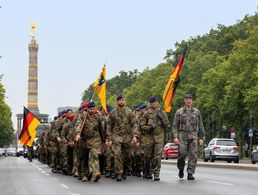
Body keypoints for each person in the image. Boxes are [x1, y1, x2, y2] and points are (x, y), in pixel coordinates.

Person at [172, 94, 205, 180]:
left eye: (190, 99)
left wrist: (201, 137)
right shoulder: (179, 112)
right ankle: (181, 168)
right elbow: (175, 125)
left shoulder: (196, 112)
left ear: (192, 101)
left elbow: (201, 125)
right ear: (184, 101)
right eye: (187, 99)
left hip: (193, 134)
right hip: (182, 135)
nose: (188, 101)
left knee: (193, 154)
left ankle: (190, 172)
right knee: (182, 153)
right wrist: (175, 137)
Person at [106, 95, 138, 181]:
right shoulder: (113, 112)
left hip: (127, 136)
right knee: (117, 155)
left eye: (123, 100)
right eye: (120, 100)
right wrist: (109, 139)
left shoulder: (129, 112)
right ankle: (118, 173)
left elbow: (134, 124)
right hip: (116, 136)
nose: (121, 101)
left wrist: (134, 136)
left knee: (128, 156)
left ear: (125, 101)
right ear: (117, 101)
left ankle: (125, 170)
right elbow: (109, 126)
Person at [140, 96, 169, 181]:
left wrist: (162, 118)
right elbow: (142, 126)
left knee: (157, 156)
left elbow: (167, 125)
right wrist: (149, 127)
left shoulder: (162, 112)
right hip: (149, 137)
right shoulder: (146, 114)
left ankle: (156, 173)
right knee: (148, 156)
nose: (154, 104)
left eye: (155, 102)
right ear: (150, 103)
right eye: (152, 102)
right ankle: (147, 170)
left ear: (157, 102)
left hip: (159, 137)